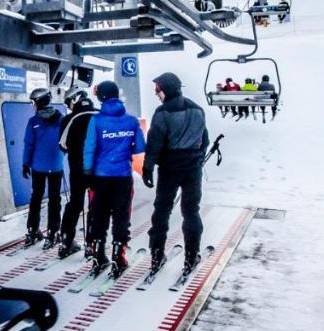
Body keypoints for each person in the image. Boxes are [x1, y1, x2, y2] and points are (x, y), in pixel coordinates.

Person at [143, 72, 209, 278]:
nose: (156, 94)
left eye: (158, 89)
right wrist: (197, 157)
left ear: (168, 89)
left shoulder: (163, 112)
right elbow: (204, 139)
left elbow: (155, 143)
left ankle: (156, 255)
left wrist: (148, 167)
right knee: (191, 211)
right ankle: (191, 256)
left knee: (162, 210)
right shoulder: (198, 109)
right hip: (192, 168)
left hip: (169, 168)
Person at [82, 80, 145, 277]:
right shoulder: (132, 121)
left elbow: (89, 148)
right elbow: (139, 148)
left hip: (100, 178)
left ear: (101, 98)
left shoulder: (96, 120)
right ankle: (119, 256)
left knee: (99, 215)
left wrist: (87, 173)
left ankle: (98, 256)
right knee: (121, 215)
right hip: (123, 177)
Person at [56, 87, 97, 258]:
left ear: (75, 100)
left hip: (77, 169)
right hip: (98, 169)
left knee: (75, 204)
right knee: (96, 205)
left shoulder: (68, 119)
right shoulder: (100, 115)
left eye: (68, 102)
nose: (68, 106)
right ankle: (93, 244)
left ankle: (66, 241)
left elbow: (62, 145)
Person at [22, 87, 65, 249]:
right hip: (56, 166)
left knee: (36, 198)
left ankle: (32, 230)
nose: (32, 105)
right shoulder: (61, 119)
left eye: (32, 102)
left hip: (38, 167)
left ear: (38, 102)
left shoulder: (33, 122)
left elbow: (29, 144)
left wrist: (25, 163)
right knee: (55, 199)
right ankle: (53, 232)